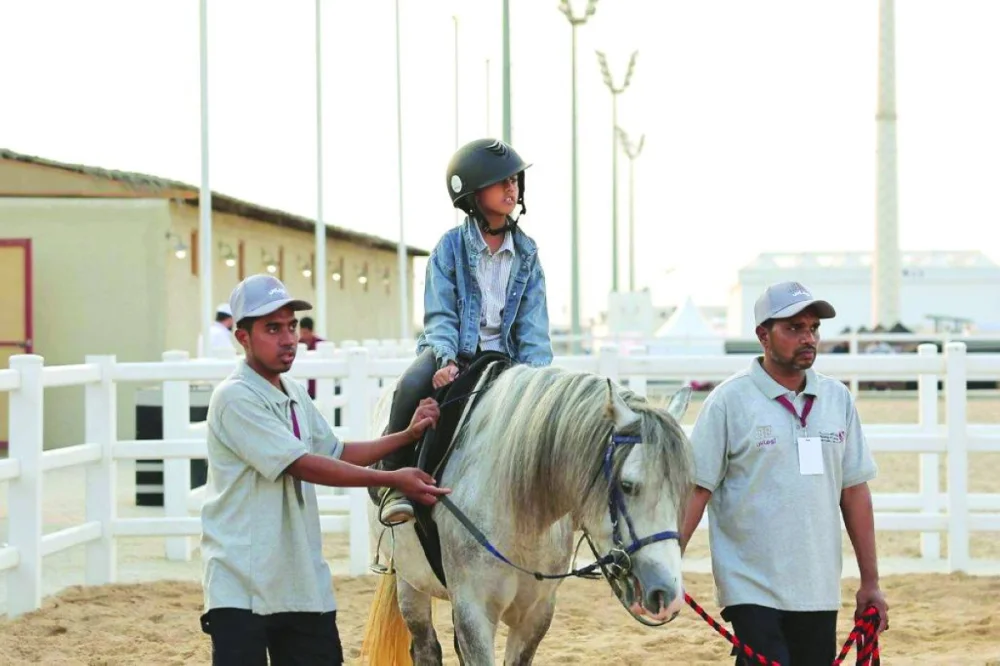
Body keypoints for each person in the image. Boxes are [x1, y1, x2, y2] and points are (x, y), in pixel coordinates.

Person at [199, 274, 450, 666]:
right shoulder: (235, 397)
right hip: (242, 586)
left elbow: (338, 451)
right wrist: (391, 479)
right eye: (272, 328)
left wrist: (405, 436)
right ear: (242, 337)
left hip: (300, 581)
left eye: (291, 326)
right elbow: (303, 465)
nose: (288, 338)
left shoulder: (292, 392)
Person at [679, 281, 889, 666]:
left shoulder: (837, 399)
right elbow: (697, 489)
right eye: (794, 328)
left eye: (813, 328)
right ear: (763, 335)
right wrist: (668, 564)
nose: (808, 338)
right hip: (751, 587)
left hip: (819, 587)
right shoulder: (728, 402)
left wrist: (870, 583)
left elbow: (854, 492)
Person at [377, 138, 553, 525]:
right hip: (456, 351)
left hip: (506, 360)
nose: (512, 188)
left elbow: (533, 326)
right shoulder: (449, 248)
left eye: (514, 180)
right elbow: (440, 315)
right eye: (500, 182)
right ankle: (393, 480)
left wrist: (538, 378)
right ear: (473, 194)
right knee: (411, 384)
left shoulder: (528, 253)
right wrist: (446, 359)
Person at [298, 316, 324, 399]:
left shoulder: (321, 344)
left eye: (306, 333)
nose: (303, 335)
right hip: (302, 387)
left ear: (311, 331)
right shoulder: (297, 345)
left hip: (317, 386)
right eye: (302, 332)